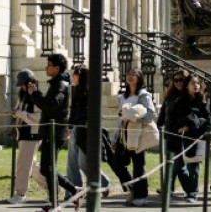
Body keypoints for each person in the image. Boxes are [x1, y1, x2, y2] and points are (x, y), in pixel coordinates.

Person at [27, 53, 79, 212]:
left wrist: (35, 93)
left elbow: (52, 105)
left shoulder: (60, 84)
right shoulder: (57, 83)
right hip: (50, 130)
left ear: (56, 68)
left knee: (48, 168)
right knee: (46, 168)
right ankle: (71, 192)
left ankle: (57, 201)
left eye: (48, 64)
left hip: (54, 131)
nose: (46, 67)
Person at [109, 67, 157, 207]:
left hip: (138, 134)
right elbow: (120, 117)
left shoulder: (143, 95)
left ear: (139, 77)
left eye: (134, 74)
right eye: (128, 74)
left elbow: (151, 114)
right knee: (117, 163)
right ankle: (132, 188)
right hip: (124, 134)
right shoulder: (122, 97)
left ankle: (141, 195)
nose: (130, 76)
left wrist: (134, 117)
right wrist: (116, 135)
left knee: (138, 165)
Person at [64, 64, 110, 200]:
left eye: (75, 74)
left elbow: (91, 111)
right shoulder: (75, 89)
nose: (73, 77)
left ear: (80, 75)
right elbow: (73, 109)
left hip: (86, 128)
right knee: (72, 161)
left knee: (83, 162)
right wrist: (70, 125)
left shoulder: (91, 90)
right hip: (77, 127)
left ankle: (104, 182)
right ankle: (74, 190)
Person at [7, 69, 47, 203]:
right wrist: (17, 113)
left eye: (23, 84)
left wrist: (19, 114)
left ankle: (21, 194)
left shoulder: (36, 96)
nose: (22, 87)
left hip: (32, 134)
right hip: (24, 133)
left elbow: (38, 118)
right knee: (33, 165)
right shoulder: (23, 95)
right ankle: (53, 187)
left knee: (24, 164)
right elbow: (22, 112)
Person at [169, 72, 209, 203]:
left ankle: (192, 193)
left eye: (198, 83)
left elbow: (207, 119)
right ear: (187, 86)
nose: (196, 85)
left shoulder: (202, 101)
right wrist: (183, 125)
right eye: (193, 83)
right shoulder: (179, 101)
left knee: (194, 166)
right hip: (180, 138)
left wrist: (192, 125)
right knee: (178, 165)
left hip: (194, 138)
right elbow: (174, 119)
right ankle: (189, 188)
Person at [157, 69, 190, 197]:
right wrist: (158, 125)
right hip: (170, 133)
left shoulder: (189, 95)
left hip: (183, 134)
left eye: (181, 80)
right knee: (171, 162)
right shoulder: (170, 95)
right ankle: (168, 188)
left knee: (178, 164)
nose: (178, 83)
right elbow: (163, 113)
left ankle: (190, 189)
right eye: (175, 80)